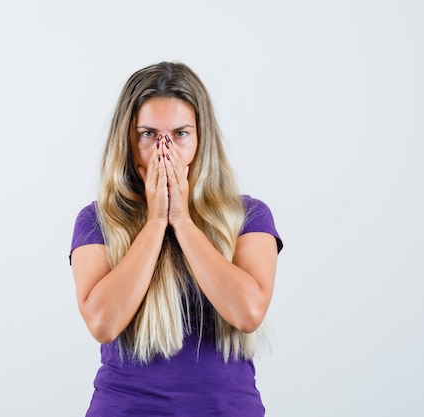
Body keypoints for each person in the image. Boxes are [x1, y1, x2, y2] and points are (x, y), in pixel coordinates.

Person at [69, 61, 283, 417]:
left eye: (180, 134)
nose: (163, 150)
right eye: (148, 134)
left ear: (202, 139)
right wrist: (155, 222)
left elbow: (247, 312)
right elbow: (102, 323)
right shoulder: (97, 222)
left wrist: (181, 219)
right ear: (128, 140)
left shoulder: (248, 216)